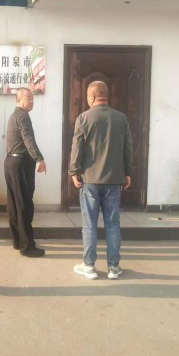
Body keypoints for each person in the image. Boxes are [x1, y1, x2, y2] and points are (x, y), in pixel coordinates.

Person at [69, 81, 132, 280]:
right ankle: (114, 267)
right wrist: (127, 172)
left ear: (92, 97)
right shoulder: (121, 118)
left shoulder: (83, 118)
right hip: (114, 180)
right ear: (106, 96)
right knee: (113, 224)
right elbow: (127, 147)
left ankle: (89, 266)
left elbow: (77, 148)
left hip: (89, 180)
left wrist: (73, 171)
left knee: (89, 224)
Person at [4, 88, 47, 257]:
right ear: (19, 100)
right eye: (28, 98)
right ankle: (27, 246)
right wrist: (39, 158)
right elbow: (28, 139)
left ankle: (18, 241)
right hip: (20, 163)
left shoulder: (15, 115)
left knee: (15, 204)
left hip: (11, 162)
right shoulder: (22, 116)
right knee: (24, 205)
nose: (32, 101)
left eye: (32, 98)